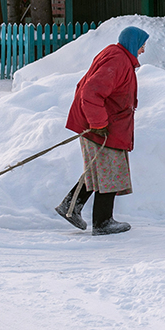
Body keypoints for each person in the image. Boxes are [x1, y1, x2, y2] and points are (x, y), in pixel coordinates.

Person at [55, 26, 148, 235]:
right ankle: (102, 222)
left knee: (100, 167)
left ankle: (70, 207)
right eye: (142, 45)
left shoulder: (119, 56)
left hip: (105, 122)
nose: (143, 50)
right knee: (111, 170)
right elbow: (91, 92)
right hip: (102, 124)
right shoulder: (118, 61)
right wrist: (98, 123)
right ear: (133, 43)